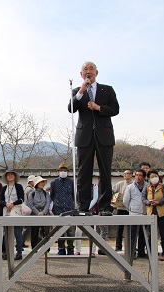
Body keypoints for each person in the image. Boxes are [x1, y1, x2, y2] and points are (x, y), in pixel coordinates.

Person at [68, 61, 119, 215]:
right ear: (81, 74)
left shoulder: (107, 89)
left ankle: (104, 207)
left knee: (105, 171)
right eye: (85, 69)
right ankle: (82, 206)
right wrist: (81, 91)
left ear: (96, 73)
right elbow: (71, 108)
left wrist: (99, 108)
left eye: (91, 69)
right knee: (84, 172)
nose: (88, 71)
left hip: (104, 135)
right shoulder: (77, 91)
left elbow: (115, 109)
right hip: (85, 136)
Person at [142, 170, 164, 261]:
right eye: (152, 177)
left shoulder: (163, 186)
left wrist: (159, 202)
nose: (154, 178)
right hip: (151, 213)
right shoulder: (147, 187)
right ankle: (151, 253)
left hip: (162, 213)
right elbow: (143, 198)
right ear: (148, 179)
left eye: (155, 176)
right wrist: (148, 202)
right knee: (151, 234)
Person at [50, 163, 76, 255]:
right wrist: (51, 208)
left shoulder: (72, 182)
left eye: (65, 171)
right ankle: (61, 249)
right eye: (61, 171)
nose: (63, 172)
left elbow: (74, 195)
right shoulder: (54, 182)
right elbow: (52, 196)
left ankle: (70, 248)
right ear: (58, 172)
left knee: (71, 231)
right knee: (59, 231)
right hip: (58, 209)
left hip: (69, 208)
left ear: (68, 172)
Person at [0, 170, 25, 260]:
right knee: (6, 233)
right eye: (8, 175)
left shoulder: (19, 187)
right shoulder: (3, 188)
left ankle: (19, 252)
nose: (10, 176)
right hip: (6, 212)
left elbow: (22, 199)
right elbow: (0, 200)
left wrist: (13, 204)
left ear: (14, 176)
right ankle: (6, 252)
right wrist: (6, 204)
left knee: (18, 233)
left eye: (11, 175)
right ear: (6, 177)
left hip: (16, 211)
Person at [123, 169, 148, 257]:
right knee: (133, 234)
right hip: (134, 212)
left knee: (143, 234)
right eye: (136, 175)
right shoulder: (130, 187)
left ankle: (141, 252)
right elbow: (125, 201)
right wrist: (130, 209)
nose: (138, 177)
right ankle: (131, 252)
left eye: (140, 175)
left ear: (144, 177)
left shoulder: (148, 186)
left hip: (145, 212)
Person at [112, 170, 134, 251]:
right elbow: (112, 191)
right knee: (119, 228)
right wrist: (114, 199)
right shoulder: (120, 184)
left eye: (127, 173)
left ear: (131, 175)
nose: (125, 175)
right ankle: (118, 245)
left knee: (131, 228)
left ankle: (131, 246)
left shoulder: (134, 184)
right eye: (124, 174)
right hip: (121, 208)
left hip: (131, 209)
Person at [27, 176, 51, 249]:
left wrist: (43, 212)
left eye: (42, 182)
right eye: (40, 182)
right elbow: (31, 205)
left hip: (45, 215)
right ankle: (34, 249)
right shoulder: (32, 194)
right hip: (35, 215)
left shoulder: (46, 193)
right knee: (34, 233)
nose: (42, 183)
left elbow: (48, 203)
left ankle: (47, 249)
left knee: (46, 233)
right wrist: (37, 213)